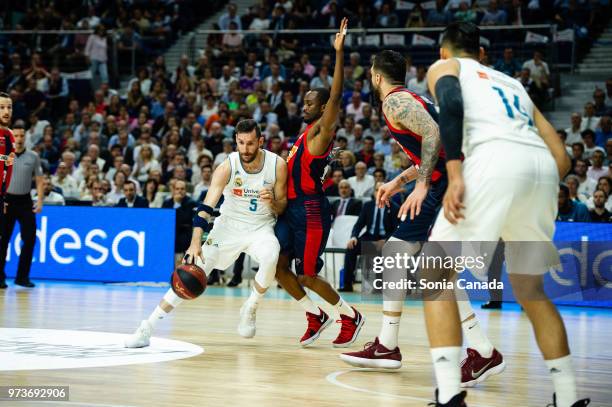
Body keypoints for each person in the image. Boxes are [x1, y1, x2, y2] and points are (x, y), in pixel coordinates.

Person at [423, 22, 589, 406]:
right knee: (530, 289)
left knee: (433, 274)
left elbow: (450, 102)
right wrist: (524, 194)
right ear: (480, 51)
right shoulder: (513, 84)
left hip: (492, 161)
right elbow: (561, 156)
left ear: (444, 51)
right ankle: (567, 398)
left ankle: (449, 395)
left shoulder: (445, 68)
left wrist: (455, 172)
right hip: (541, 169)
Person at [341, 51, 501, 390]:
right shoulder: (412, 100)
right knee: (432, 266)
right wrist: (400, 181)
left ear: (377, 76)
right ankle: (479, 348)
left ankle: (388, 345)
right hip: (461, 175)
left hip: (447, 181)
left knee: (403, 255)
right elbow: (434, 145)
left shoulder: (395, 103)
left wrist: (424, 183)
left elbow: (433, 136)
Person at [125, 119, 287, 347]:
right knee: (191, 271)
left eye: (250, 143)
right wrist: (194, 243)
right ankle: (147, 327)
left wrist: (272, 202)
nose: (245, 149)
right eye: (240, 143)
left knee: (272, 255)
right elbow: (204, 208)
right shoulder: (227, 166)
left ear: (260, 141)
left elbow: (282, 206)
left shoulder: (277, 164)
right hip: (228, 228)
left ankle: (250, 306)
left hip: (260, 227)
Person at [273, 19, 366, 348]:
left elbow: (337, 95)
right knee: (277, 266)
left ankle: (349, 315)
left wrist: (338, 54)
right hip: (291, 211)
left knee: (307, 275)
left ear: (324, 109)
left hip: (311, 209)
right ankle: (315, 315)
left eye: (311, 103)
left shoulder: (321, 131)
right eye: (305, 102)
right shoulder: (301, 136)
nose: (304, 105)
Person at [0, 123, 43, 289]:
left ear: (25, 137)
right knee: (3, 240)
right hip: (7, 201)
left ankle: (22, 277)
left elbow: (39, 179)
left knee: (30, 238)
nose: (18, 139)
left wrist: (39, 201)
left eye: (21, 136)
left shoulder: (33, 156)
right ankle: (0, 278)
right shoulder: (4, 156)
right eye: (15, 136)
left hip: (25, 201)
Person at [342, 182, 398, 292]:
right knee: (351, 248)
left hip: (384, 238)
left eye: (383, 190)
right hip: (369, 237)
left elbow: (397, 230)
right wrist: (353, 237)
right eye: (378, 190)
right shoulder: (368, 206)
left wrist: (386, 240)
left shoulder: (395, 207)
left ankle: (378, 286)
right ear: (374, 192)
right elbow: (358, 225)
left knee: (383, 250)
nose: (380, 193)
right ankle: (347, 284)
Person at [0, 92, 15, 289]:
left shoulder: (10, 135)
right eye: (2, 107)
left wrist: (4, 195)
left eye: (9, 107)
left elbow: (7, 169)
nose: (6, 111)